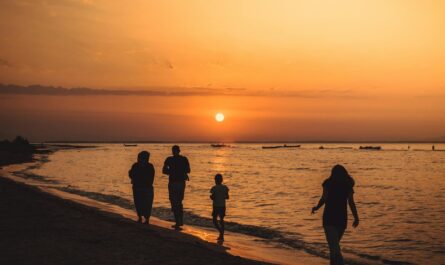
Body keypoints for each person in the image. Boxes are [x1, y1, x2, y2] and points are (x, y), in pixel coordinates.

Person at [311, 165, 359, 265]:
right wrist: (356, 217)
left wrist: (317, 207)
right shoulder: (347, 185)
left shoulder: (328, 183)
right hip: (341, 219)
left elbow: (323, 199)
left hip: (329, 218)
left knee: (334, 248)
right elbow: (351, 203)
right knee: (334, 247)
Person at [163, 145, 190, 230]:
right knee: (177, 201)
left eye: (174, 150)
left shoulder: (171, 159)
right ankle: (178, 221)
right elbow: (188, 170)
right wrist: (177, 172)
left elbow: (164, 170)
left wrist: (172, 172)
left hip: (176, 182)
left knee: (175, 201)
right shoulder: (181, 159)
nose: (174, 152)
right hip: (178, 182)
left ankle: (178, 221)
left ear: (177, 151)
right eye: (173, 150)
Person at [128, 151, 155, 224]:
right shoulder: (136, 165)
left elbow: (151, 177)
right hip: (139, 187)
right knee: (138, 202)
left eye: (139, 158)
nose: (138, 159)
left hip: (145, 187)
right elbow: (131, 175)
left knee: (147, 204)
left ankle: (146, 219)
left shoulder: (149, 166)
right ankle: (140, 217)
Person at [210, 173, 229, 241]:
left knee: (214, 220)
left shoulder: (214, 188)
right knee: (221, 220)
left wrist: (211, 197)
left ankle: (220, 232)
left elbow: (212, 197)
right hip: (222, 206)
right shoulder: (225, 188)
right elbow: (227, 197)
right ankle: (221, 234)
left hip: (216, 206)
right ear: (222, 180)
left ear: (215, 180)